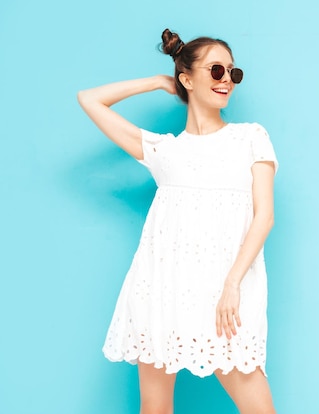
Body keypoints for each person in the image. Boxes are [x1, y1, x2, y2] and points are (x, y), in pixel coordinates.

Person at [77, 28, 278, 414]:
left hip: (228, 293)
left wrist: (233, 283)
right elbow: (89, 100)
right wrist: (156, 82)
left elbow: (264, 216)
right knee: (154, 408)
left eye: (233, 73)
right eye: (216, 70)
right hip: (163, 291)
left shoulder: (251, 138)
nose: (226, 81)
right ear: (186, 78)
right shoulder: (164, 151)